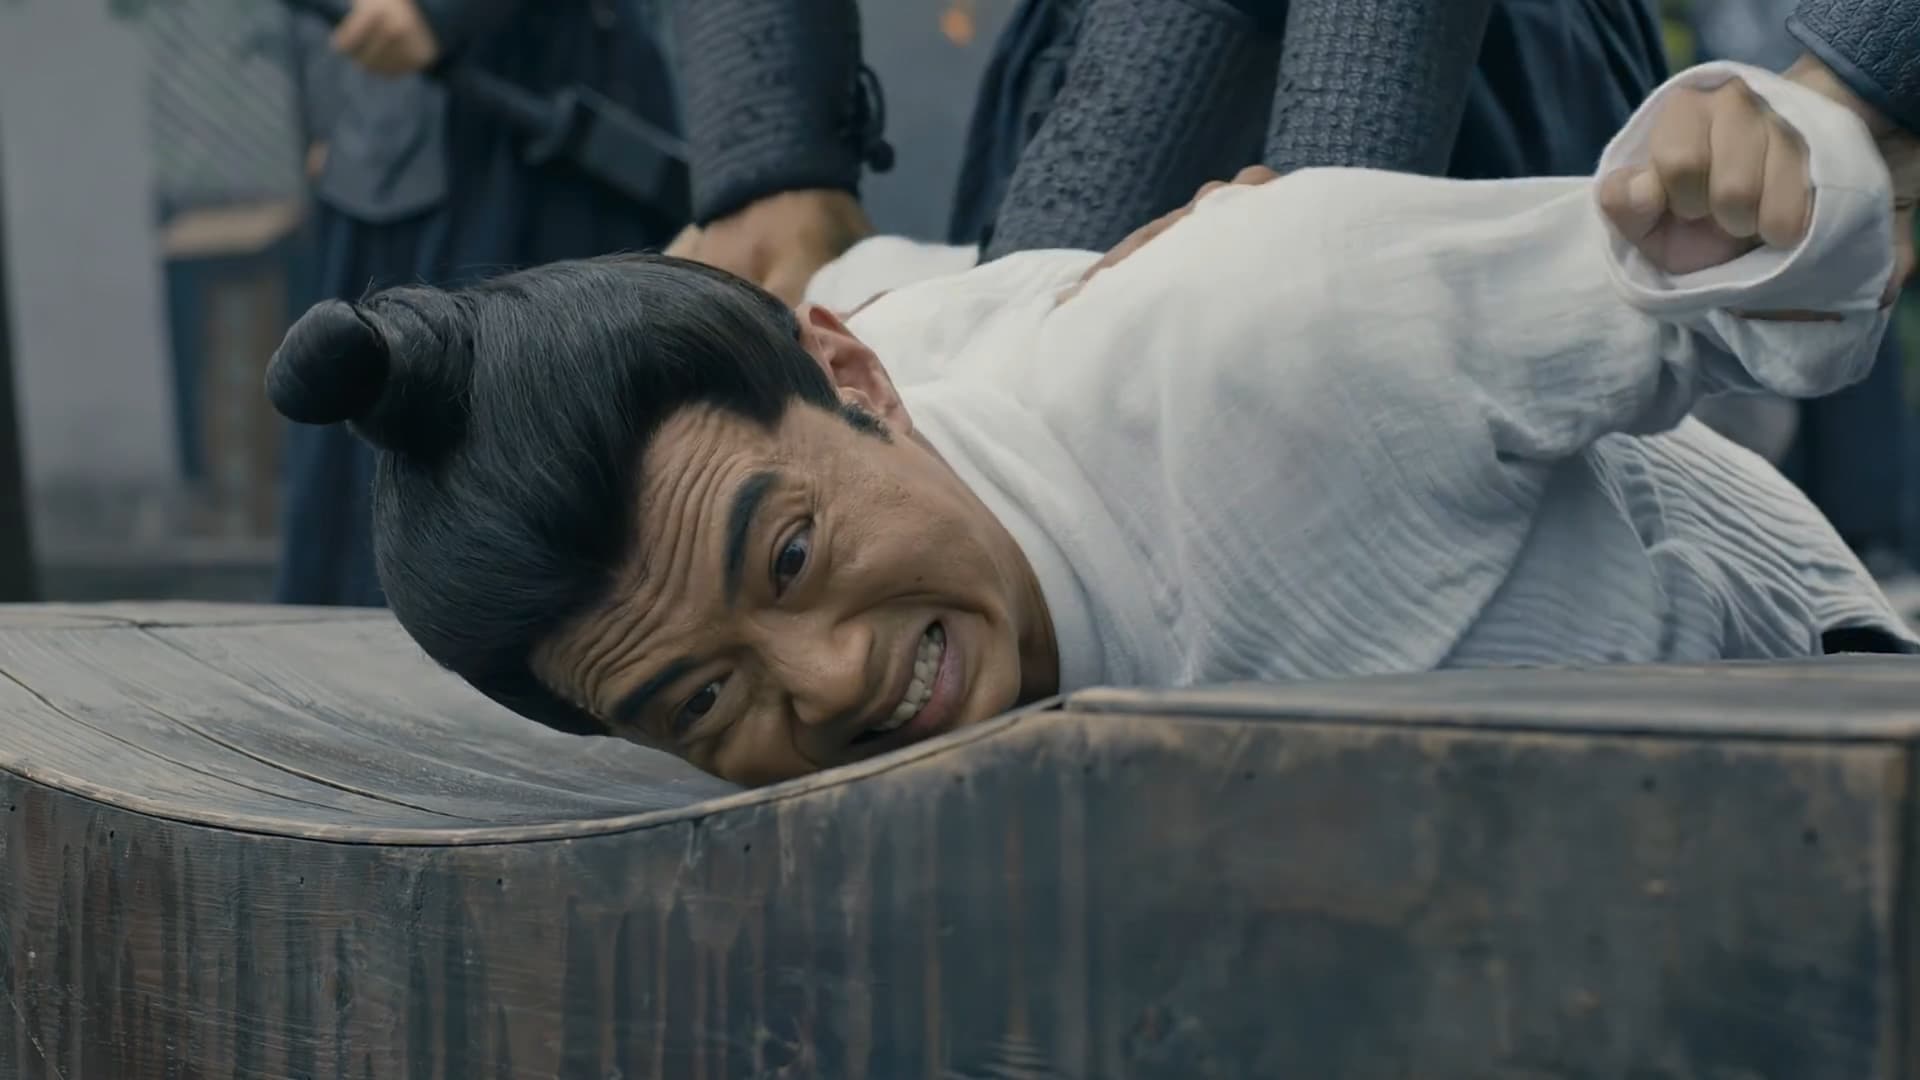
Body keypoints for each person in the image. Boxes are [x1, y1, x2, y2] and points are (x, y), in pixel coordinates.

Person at [264, 55, 1919, 788]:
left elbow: (1742, 275)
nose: (825, 683)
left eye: (792, 558)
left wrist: (1767, 155)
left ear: (853, 383)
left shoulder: (1272, 325)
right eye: (704, 701)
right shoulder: (880, 344)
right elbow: (890, 283)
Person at [275, 0, 685, 606]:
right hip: (382, 121)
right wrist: (326, 109)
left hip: (533, 130)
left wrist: (440, 11)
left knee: (553, 469)